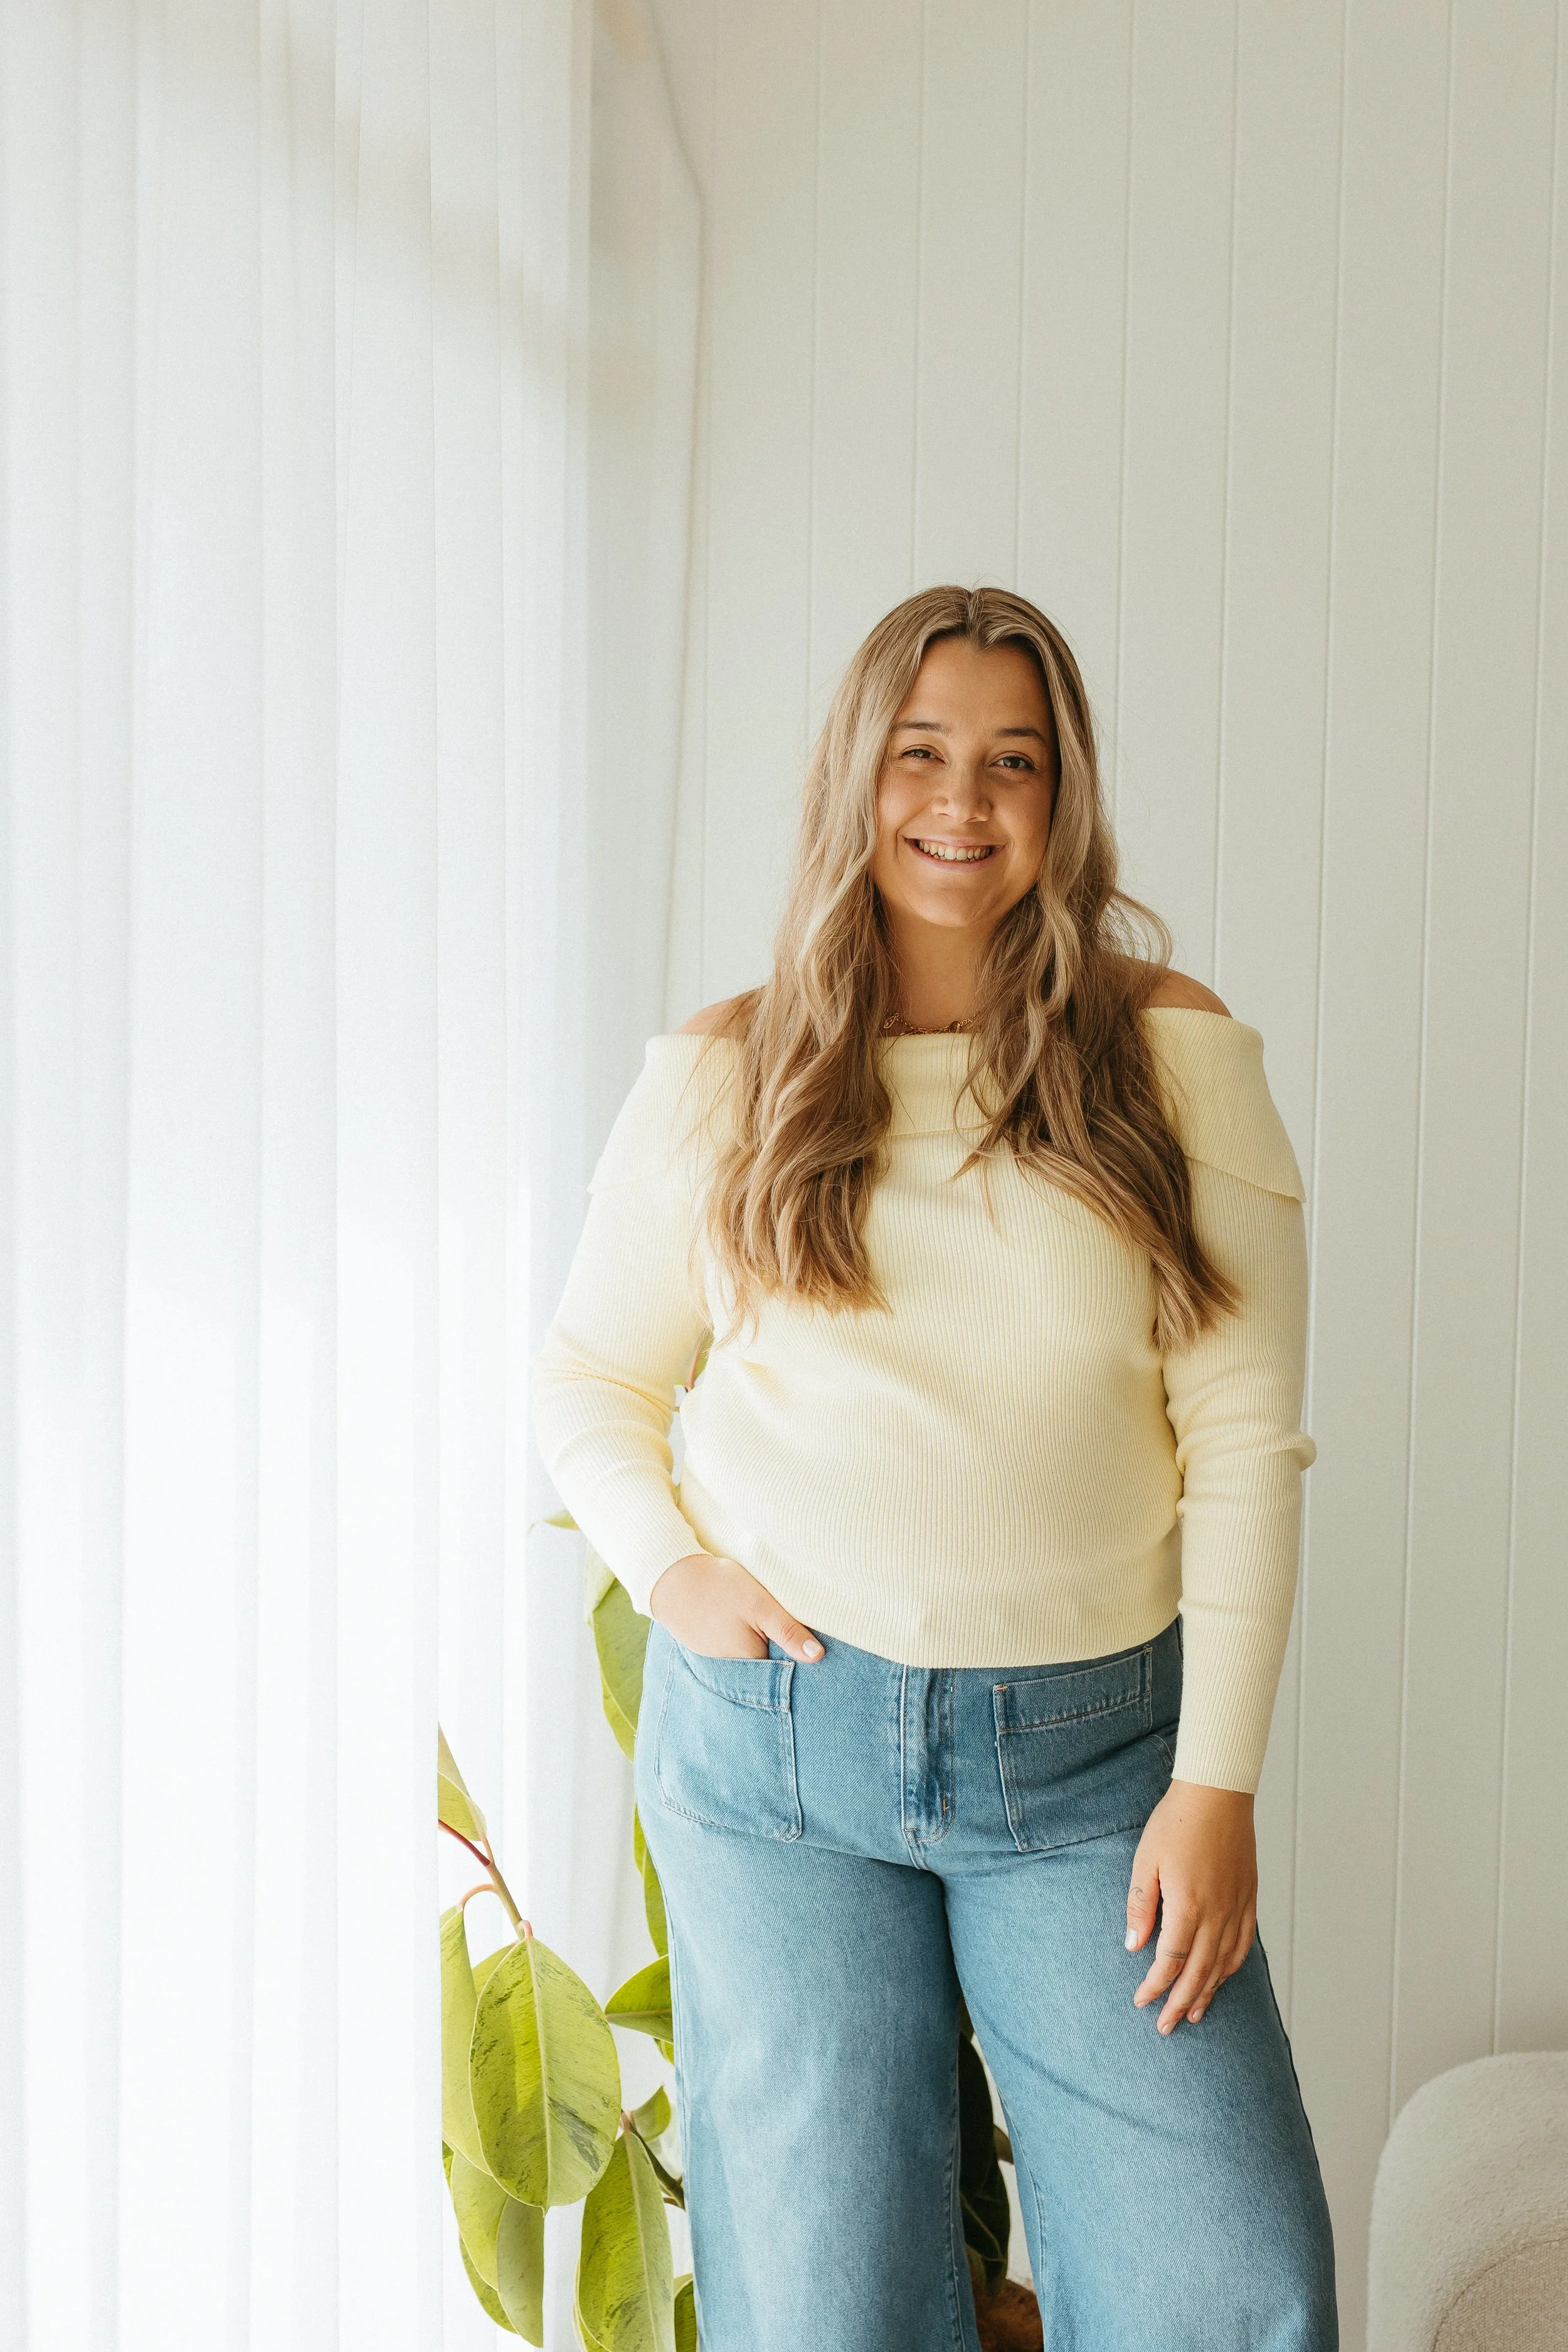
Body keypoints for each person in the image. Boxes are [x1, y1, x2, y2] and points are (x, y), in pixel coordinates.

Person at [532, 585, 1337, 2351]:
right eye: (919, 753)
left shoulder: (1170, 1055)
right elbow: (592, 1376)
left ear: (1063, 799)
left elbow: (1243, 1439)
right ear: (855, 777)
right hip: (775, 1763)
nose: (958, 804)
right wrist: (673, 1570)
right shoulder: (728, 1071)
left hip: (1093, 1764)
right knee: (820, 2314)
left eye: (1009, 762)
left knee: (1223, 2288)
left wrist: (1214, 1785)